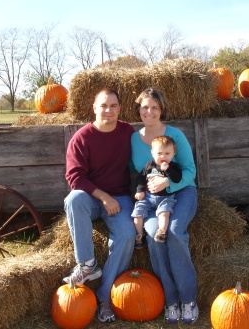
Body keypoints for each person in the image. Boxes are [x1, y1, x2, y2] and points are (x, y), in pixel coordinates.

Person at [63, 88, 135, 323]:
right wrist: (104, 197)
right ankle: (87, 264)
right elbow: (74, 178)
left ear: (119, 109)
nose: (108, 110)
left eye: (113, 106)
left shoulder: (127, 132)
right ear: (94, 108)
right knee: (73, 199)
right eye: (103, 105)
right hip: (93, 199)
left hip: (121, 198)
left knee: (126, 235)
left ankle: (105, 296)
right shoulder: (82, 138)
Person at [131, 87, 199, 324]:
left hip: (180, 193)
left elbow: (190, 171)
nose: (149, 112)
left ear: (161, 110)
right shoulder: (134, 138)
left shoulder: (175, 135)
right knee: (153, 233)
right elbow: (139, 173)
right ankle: (170, 299)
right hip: (151, 201)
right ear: (139, 109)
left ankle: (187, 298)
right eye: (145, 107)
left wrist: (167, 183)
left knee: (174, 232)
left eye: (155, 107)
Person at [132, 135, 182, 248]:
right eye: (159, 153)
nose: (163, 156)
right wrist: (140, 191)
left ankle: (161, 232)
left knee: (164, 213)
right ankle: (140, 235)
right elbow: (140, 178)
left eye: (167, 154)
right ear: (153, 153)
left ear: (174, 154)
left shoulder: (173, 167)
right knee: (137, 213)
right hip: (148, 197)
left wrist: (168, 170)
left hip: (165, 198)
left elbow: (177, 179)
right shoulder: (149, 166)